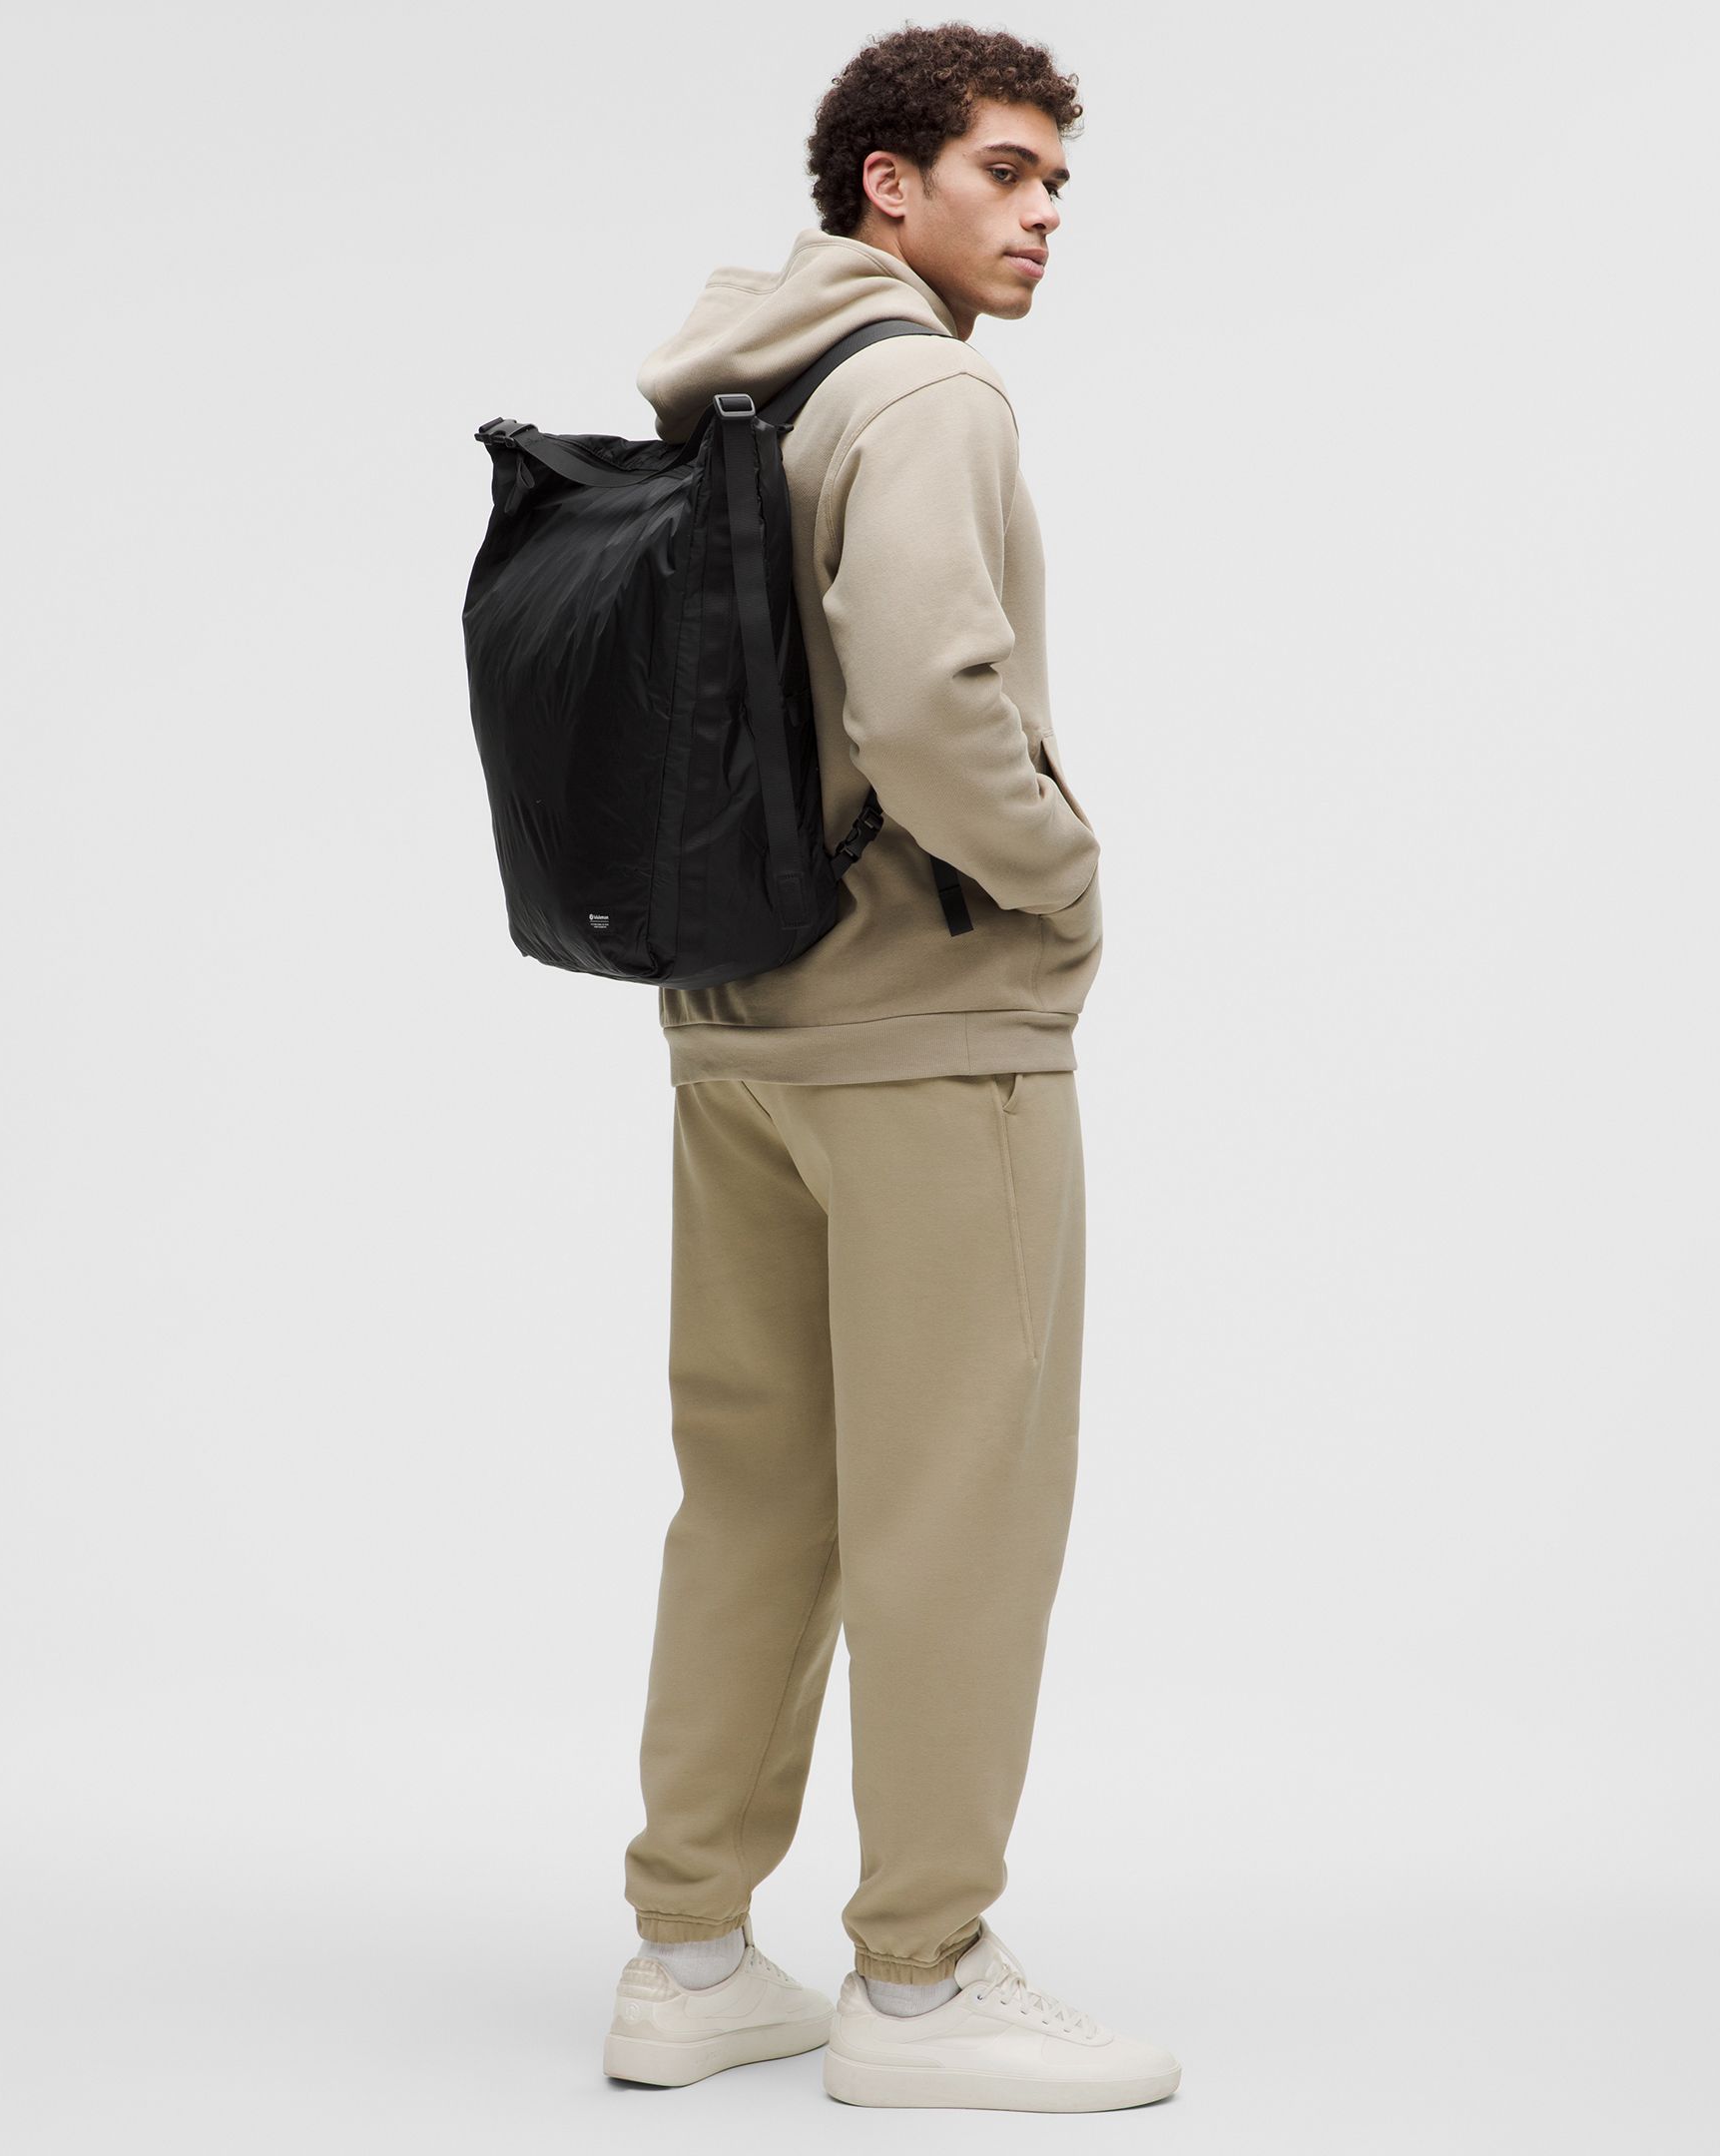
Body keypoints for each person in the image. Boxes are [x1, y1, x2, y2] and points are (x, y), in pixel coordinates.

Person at [602, 24, 1180, 2114]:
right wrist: (1067, 875)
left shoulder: (742, 389)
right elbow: (934, 703)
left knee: (755, 1499)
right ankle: (920, 1988)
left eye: (1057, 184)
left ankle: (688, 1957)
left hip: (738, 1027)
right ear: (888, 187)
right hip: (931, 1040)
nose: (1041, 216)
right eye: (1005, 173)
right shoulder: (925, 392)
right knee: (957, 1509)